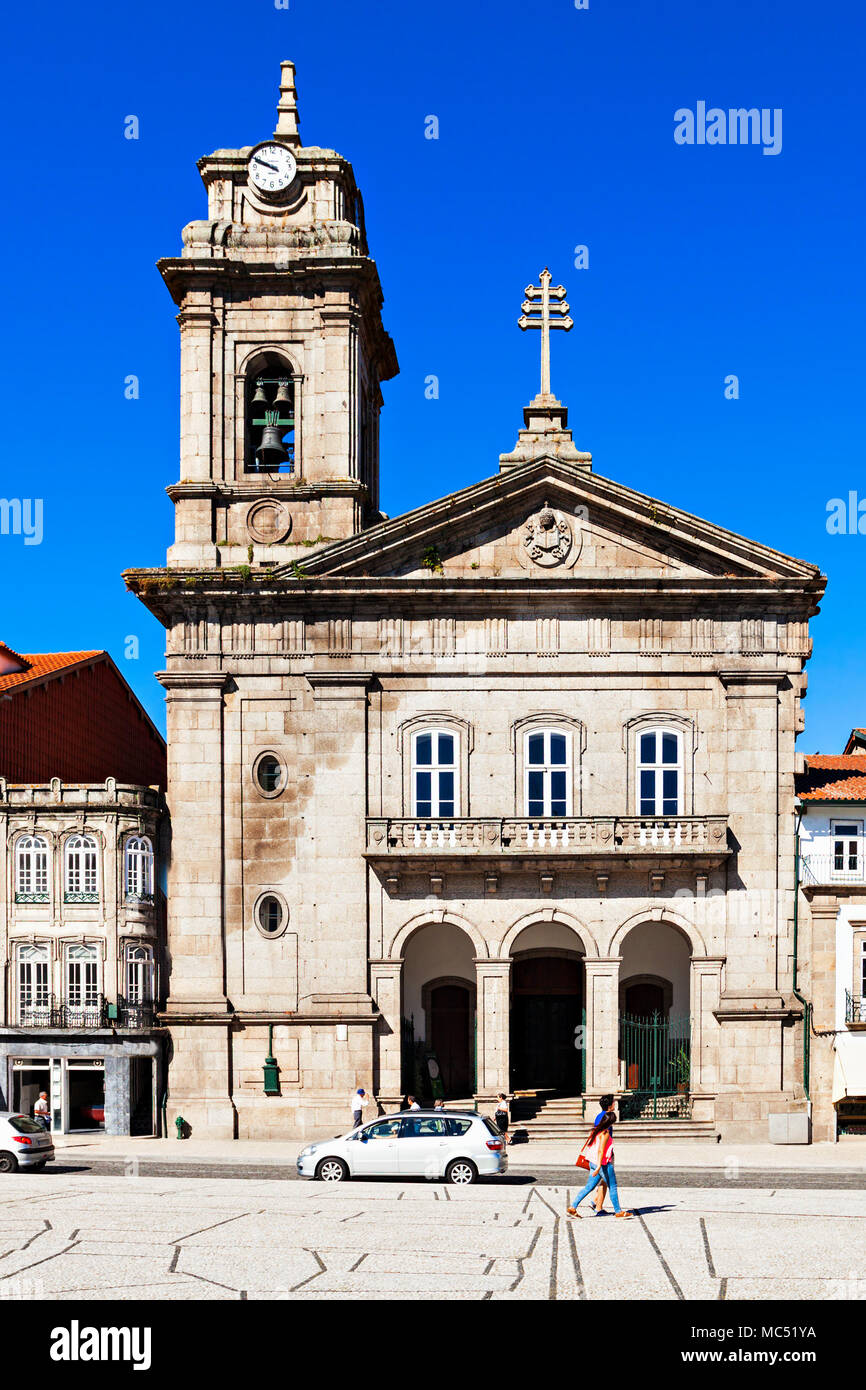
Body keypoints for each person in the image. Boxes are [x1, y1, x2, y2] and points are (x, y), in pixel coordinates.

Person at [567, 1111, 632, 1220]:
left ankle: (573, 1207)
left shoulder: (596, 1131)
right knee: (613, 1186)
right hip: (602, 1164)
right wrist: (598, 1167)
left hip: (592, 1162)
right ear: (610, 1123)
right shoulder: (605, 1133)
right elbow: (601, 1151)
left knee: (589, 1187)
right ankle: (618, 1212)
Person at [590, 1094, 615, 1214]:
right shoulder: (606, 1118)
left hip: (598, 1153)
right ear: (610, 1105)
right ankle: (598, 1207)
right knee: (606, 1181)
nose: (615, 1104)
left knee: (601, 1180)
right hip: (604, 1154)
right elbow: (604, 1139)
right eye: (614, 1102)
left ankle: (596, 1201)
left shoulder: (598, 1116)